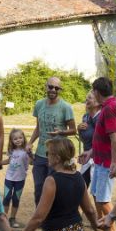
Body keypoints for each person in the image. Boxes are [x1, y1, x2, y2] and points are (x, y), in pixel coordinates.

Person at [27, 77, 76, 205]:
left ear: (60, 90)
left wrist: (60, 132)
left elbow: (73, 130)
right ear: (46, 87)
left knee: (54, 188)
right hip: (40, 154)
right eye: (50, 87)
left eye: (56, 88)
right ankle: (41, 217)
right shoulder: (39, 104)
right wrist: (30, 142)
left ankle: (52, 217)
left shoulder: (66, 107)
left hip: (57, 156)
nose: (53, 90)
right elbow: (38, 128)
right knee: (38, 188)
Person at [90, 77, 116, 231]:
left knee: (104, 198)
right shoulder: (114, 105)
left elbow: (114, 138)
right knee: (97, 195)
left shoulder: (110, 109)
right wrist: (91, 153)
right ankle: (103, 228)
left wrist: (113, 163)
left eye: (93, 91)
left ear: (97, 92)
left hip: (106, 162)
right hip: (100, 160)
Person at [1, 129, 28, 228]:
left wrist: (30, 154)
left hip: (20, 179)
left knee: (16, 199)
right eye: (15, 138)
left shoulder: (26, 151)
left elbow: (32, 161)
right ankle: (3, 219)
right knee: (7, 197)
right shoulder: (11, 151)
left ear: (24, 138)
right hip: (9, 178)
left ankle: (12, 219)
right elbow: (8, 160)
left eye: (20, 138)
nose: (18, 140)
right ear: (11, 140)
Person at [78, 90, 100, 187]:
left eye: (90, 98)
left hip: (98, 160)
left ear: (97, 102)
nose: (87, 99)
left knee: (98, 194)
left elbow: (102, 140)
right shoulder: (85, 117)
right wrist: (79, 129)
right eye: (86, 97)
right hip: (86, 158)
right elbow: (83, 139)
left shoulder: (101, 117)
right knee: (81, 189)